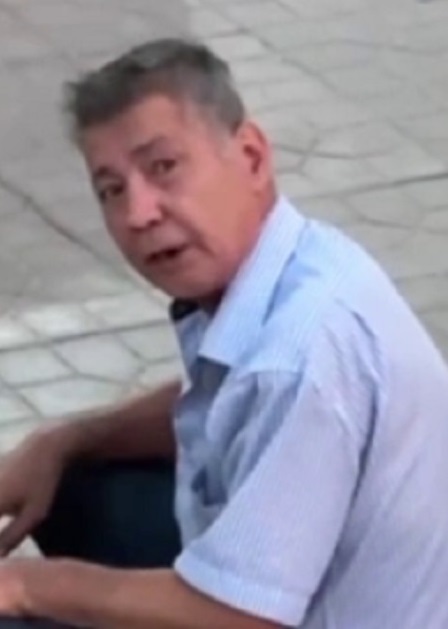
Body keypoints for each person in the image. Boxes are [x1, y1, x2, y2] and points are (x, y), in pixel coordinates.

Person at [0, 37, 447, 629]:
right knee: (76, 484)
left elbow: (242, 619)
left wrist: (27, 586)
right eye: (112, 189)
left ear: (252, 156)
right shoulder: (302, 262)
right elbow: (223, 400)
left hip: (266, 616)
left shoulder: (301, 357)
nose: (138, 214)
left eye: (163, 168)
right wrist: (64, 441)